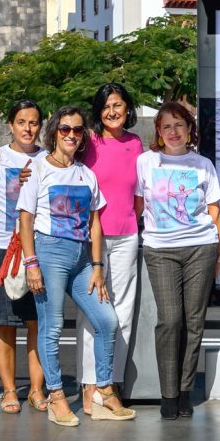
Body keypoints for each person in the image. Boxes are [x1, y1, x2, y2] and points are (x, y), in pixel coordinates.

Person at [18, 105, 135, 426]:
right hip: (48, 253)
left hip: (83, 258)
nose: (71, 135)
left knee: (106, 321)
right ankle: (56, 395)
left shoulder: (86, 173)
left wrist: (98, 265)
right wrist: (32, 264)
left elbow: (96, 223)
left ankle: (104, 390)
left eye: (78, 130)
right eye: (65, 129)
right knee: (52, 327)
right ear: (54, 131)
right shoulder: (37, 168)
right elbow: (25, 220)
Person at [136, 102, 220, 420]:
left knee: (194, 322)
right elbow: (135, 206)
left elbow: (214, 211)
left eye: (179, 125)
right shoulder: (146, 162)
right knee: (170, 320)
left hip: (201, 247)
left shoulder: (203, 165)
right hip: (160, 249)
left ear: (189, 129)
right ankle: (168, 393)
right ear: (158, 132)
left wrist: (219, 250)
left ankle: (184, 391)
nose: (174, 132)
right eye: (166, 127)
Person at [0, 100, 47, 415]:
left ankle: (37, 390)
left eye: (33, 122)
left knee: (37, 322)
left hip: (36, 247)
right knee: (4, 323)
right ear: (11, 125)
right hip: (0, 247)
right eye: (21, 122)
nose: (28, 128)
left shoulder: (47, 158)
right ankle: (9, 390)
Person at [78, 83, 144, 414]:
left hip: (127, 235)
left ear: (127, 108)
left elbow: (139, 195)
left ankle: (111, 383)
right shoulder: (88, 142)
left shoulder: (135, 143)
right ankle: (90, 384)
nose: (112, 111)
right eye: (106, 106)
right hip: (92, 238)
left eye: (117, 104)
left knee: (124, 313)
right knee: (94, 311)